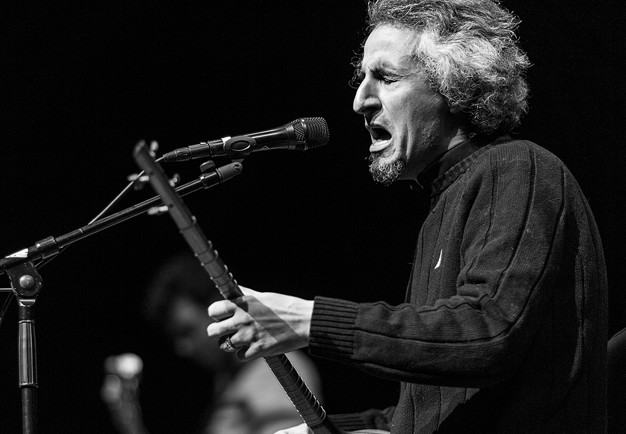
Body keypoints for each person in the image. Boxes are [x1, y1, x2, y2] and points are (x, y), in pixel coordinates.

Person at [206, 0, 608, 433]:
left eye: (386, 77)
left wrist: (308, 320)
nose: (360, 100)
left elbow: (488, 333)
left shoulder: (518, 167)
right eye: (362, 79)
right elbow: (426, 413)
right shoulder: (445, 204)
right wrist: (331, 428)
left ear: (456, 86)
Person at [102, 252, 322, 434]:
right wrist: (129, 419)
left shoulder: (275, 369)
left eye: (186, 331)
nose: (183, 348)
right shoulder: (227, 382)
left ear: (216, 309)